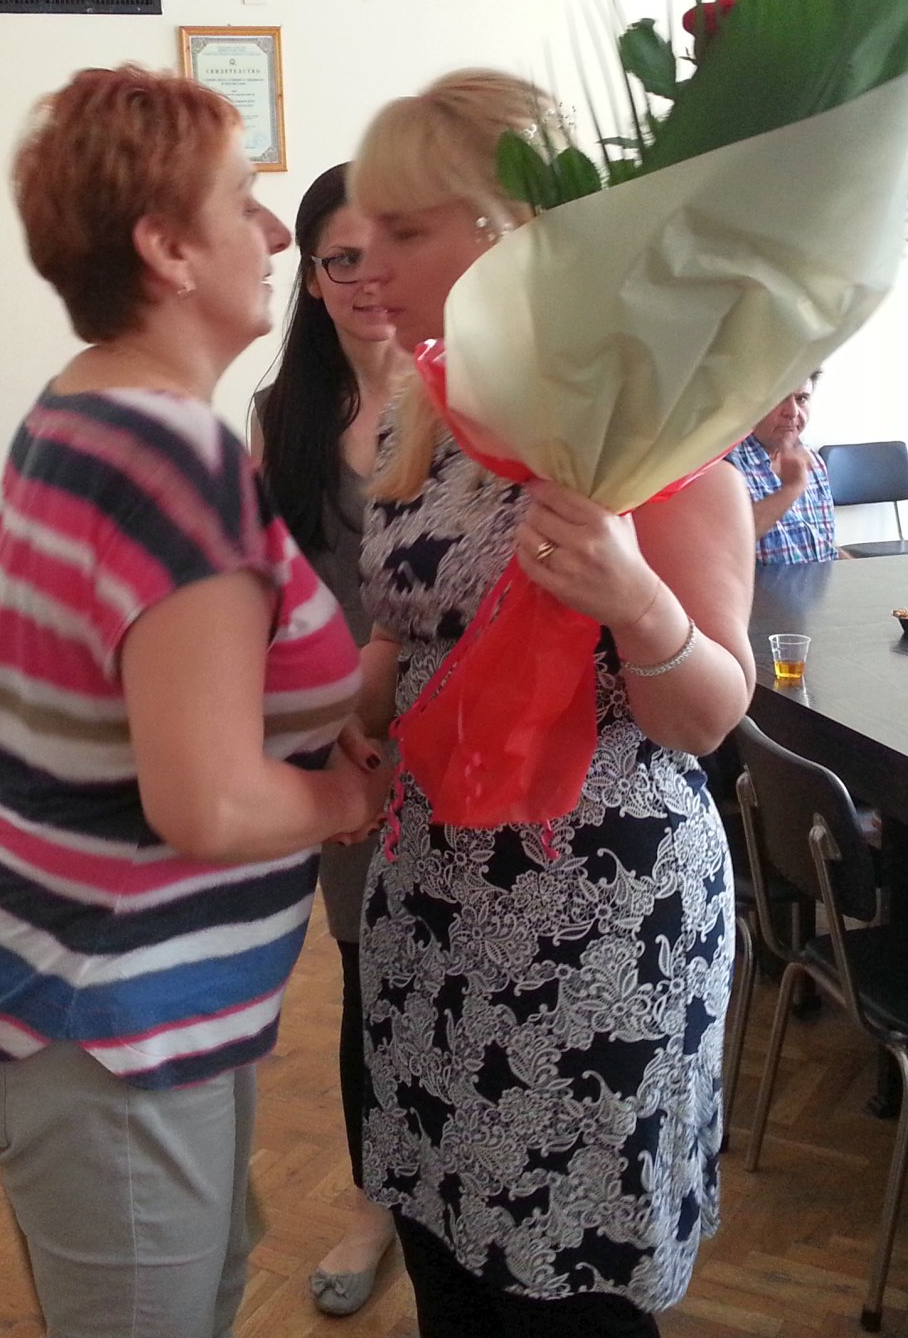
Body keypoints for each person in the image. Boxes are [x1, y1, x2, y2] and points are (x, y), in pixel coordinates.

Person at [0, 67, 394, 1338]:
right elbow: (209, 806)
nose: (277, 233)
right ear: (165, 249)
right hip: (104, 1005)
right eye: (244, 202)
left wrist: (306, 722)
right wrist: (348, 797)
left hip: (72, 971)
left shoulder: (85, 403)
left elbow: (141, 692)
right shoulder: (175, 462)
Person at [350, 70, 758, 1337]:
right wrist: (358, 701)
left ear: (515, 232)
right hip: (432, 908)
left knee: (567, 1299)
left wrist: (635, 599)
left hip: (592, 933)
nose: (366, 261)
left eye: (403, 229)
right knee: (448, 1274)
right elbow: (409, 619)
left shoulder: (657, 443)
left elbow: (705, 717)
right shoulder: (429, 418)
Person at [252, 162, 409, 1317]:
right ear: (310, 281)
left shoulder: (474, 394)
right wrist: (319, 722)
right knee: (365, 973)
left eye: (379, 254)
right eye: (338, 260)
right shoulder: (282, 415)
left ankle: (456, 1187)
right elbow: (273, 589)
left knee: (455, 968)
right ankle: (374, 1204)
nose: (363, 279)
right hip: (340, 740)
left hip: (452, 727)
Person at [723, 369, 845, 564]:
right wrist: (791, 489)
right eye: (779, 398)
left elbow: (825, 545)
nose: (793, 412)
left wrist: (861, 572)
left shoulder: (813, 461)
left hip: (819, 581)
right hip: (767, 584)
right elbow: (727, 542)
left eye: (801, 399)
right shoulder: (725, 466)